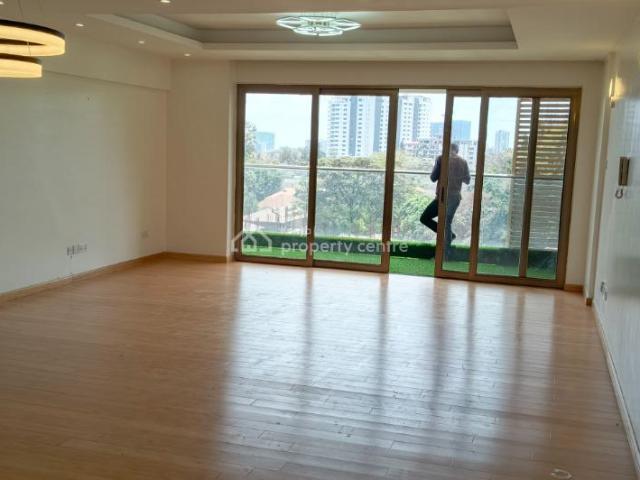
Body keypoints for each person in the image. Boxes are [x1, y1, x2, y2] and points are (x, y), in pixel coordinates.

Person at [420, 143, 471, 248]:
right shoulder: (463, 162)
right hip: (455, 197)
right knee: (447, 223)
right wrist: (457, 175)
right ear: (457, 151)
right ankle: (448, 242)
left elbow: (433, 178)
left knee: (425, 218)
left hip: (442, 197)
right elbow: (467, 180)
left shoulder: (441, 158)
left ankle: (448, 241)